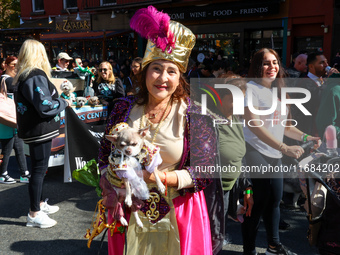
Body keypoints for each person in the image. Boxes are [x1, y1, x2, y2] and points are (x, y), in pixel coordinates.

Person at [98, 6, 218, 255]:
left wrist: (159, 179)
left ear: (180, 78)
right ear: (144, 72)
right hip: (129, 210)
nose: (163, 78)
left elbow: (205, 172)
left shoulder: (196, 116)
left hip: (179, 210)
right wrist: (108, 183)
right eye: (156, 68)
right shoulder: (122, 108)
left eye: (171, 71)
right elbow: (104, 155)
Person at [241, 48, 321, 255]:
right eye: (266, 63)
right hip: (254, 152)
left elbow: (284, 126)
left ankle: (273, 246)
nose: (272, 67)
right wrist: (285, 148)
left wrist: (306, 137)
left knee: (275, 201)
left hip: (274, 154)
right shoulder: (250, 89)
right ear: (257, 66)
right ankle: (249, 250)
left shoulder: (276, 92)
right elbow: (255, 125)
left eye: (275, 62)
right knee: (256, 205)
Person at [13, 39, 72, 228]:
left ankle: (38, 205)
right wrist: (64, 103)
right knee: (38, 171)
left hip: (35, 129)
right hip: (39, 130)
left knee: (40, 170)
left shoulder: (25, 75)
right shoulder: (34, 75)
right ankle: (34, 214)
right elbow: (45, 106)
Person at [0, 56, 29, 184]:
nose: (16, 67)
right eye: (13, 64)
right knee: (7, 147)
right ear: (5, 65)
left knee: (18, 145)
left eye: (17, 65)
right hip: (7, 118)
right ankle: (3, 174)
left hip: (11, 117)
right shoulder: (7, 79)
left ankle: (24, 172)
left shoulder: (7, 79)